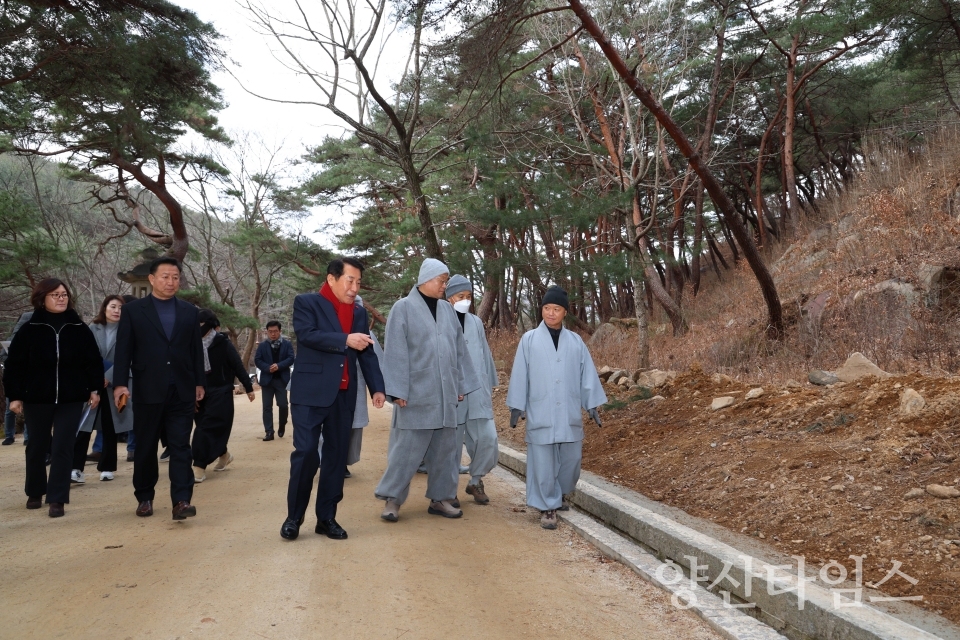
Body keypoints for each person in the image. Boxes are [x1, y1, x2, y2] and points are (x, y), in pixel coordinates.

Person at [280, 257, 386, 541]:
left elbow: (367, 352)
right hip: (310, 393)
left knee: (336, 458)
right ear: (331, 279)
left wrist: (377, 387)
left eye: (359, 282)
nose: (354, 287)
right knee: (305, 454)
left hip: (344, 395)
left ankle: (326, 518)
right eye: (350, 280)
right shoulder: (307, 303)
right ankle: (294, 517)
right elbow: (308, 335)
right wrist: (344, 340)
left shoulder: (360, 314)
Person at [374, 259, 480, 523]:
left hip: (445, 393)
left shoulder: (447, 310)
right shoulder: (404, 308)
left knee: (446, 450)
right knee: (406, 451)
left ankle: (441, 498)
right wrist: (397, 390)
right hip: (415, 393)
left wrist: (460, 385)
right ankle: (392, 500)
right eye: (441, 281)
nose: (445, 286)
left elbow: (459, 351)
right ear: (425, 279)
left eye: (446, 281)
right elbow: (396, 351)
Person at [506, 285, 606, 530]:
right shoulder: (528, 340)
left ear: (565, 312)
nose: (551, 313)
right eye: (547, 308)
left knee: (571, 461)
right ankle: (547, 507)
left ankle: (559, 493)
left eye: (556, 309)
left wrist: (591, 404)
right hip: (541, 409)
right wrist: (516, 406)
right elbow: (520, 374)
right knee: (543, 461)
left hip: (569, 410)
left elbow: (587, 375)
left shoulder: (575, 341)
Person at [113, 257, 206, 520]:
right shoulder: (134, 310)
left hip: (182, 388)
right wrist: (120, 383)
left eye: (175, 277)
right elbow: (124, 349)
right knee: (145, 446)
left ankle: (182, 501)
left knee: (180, 446)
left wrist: (199, 381)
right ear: (152, 279)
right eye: (165, 276)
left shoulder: (189, 311)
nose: (171, 281)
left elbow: (195, 351)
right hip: (147, 388)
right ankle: (144, 497)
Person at [3, 279, 103, 517]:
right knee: (37, 445)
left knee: (63, 445)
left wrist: (94, 389)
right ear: (42, 298)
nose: (61, 298)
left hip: (71, 397)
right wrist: (15, 396)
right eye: (55, 295)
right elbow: (15, 365)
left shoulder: (78, 327)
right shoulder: (30, 329)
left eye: (64, 294)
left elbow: (93, 361)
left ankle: (57, 498)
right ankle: (35, 491)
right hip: (37, 396)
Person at [444, 275, 500, 505]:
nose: (465, 301)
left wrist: (489, 385)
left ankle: (476, 480)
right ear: (449, 299)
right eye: (460, 296)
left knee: (487, 438)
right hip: (452, 393)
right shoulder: (441, 322)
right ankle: (447, 490)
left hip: (477, 391)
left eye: (469, 296)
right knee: (450, 445)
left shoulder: (476, 322)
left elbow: (484, 354)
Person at [317, 294, 384, 478]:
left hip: (357, 386)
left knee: (352, 428)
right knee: (326, 426)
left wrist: (379, 388)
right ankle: (325, 461)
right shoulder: (329, 331)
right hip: (330, 386)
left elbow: (375, 361)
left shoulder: (367, 335)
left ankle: (344, 462)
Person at [72, 295, 134, 483]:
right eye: (113, 306)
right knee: (84, 426)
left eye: (120, 308)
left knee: (110, 426)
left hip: (117, 383)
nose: (116, 311)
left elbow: (131, 358)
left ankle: (107, 467)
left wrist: (107, 377)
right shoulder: (92, 328)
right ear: (104, 308)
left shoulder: (129, 331)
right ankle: (76, 468)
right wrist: (96, 377)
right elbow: (85, 355)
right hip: (92, 384)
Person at [191, 310, 255, 483]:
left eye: (201, 324)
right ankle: (224, 455)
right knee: (205, 426)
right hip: (198, 393)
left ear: (210, 325)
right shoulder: (192, 344)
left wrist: (248, 387)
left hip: (221, 391)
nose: (198, 328)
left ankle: (198, 465)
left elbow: (237, 365)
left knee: (206, 428)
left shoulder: (222, 343)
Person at [254, 320, 294, 441]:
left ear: (280, 331)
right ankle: (269, 432)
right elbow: (257, 360)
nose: (273, 334)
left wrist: (279, 365)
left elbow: (291, 358)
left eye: (275, 331)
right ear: (267, 332)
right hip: (267, 380)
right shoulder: (262, 345)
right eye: (270, 332)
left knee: (283, 405)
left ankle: (282, 424)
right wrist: (267, 368)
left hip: (281, 380)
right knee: (267, 407)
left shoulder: (287, 344)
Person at [2, 311, 34, 446]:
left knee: (30, 408)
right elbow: (4, 353)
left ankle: (28, 436)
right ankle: (9, 435)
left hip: (32, 375)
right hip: (17, 375)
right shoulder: (14, 337)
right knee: (11, 407)